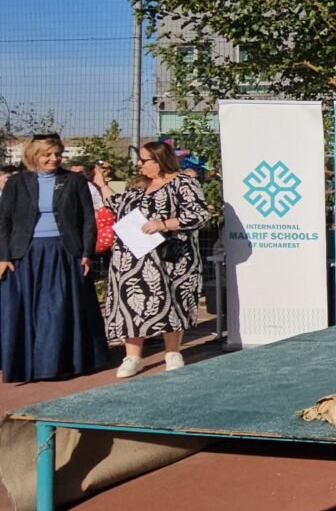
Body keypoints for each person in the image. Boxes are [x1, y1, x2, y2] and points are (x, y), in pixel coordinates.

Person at [0, 135, 111, 383]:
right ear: (34, 155)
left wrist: (86, 253)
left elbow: (88, 220)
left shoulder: (74, 181)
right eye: (47, 154)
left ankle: (62, 364)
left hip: (65, 252)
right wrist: (3, 256)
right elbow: (3, 221)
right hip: (25, 255)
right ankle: (29, 366)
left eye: (58, 154)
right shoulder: (16, 183)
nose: (54, 159)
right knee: (30, 312)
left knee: (59, 309)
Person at [96, 140, 211, 377]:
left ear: (159, 160)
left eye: (144, 160)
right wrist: (102, 185)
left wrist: (164, 224)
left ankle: (173, 352)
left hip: (169, 258)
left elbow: (200, 214)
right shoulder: (139, 186)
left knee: (172, 302)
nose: (139, 164)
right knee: (131, 303)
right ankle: (132, 357)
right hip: (132, 260)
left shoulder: (183, 182)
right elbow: (118, 206)